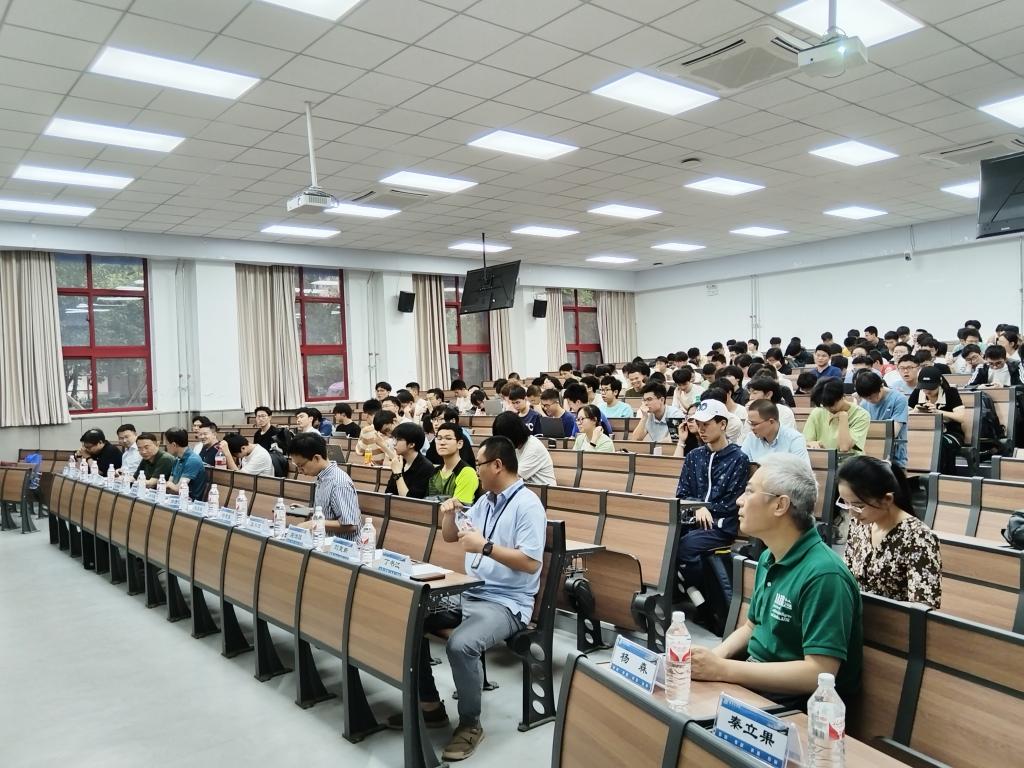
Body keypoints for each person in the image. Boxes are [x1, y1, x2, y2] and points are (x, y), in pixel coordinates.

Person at [402, 436, 547, 761]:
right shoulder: (485, 502)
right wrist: (448, 515)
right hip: (470, 591)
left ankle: (470, 724)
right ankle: (430, 705)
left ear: (497, 465)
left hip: (507, 603)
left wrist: (485, 547)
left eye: (479, 464)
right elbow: (452, 536)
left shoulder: (527, 505)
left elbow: (530, 562)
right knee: (412, 617)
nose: (475, 470)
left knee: (461, 645)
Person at [690, 454, 863, 704]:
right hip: (755, 685)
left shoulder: (824, 575)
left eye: (749, 491)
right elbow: (752, 627)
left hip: (795, 707)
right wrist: (713, 658)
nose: (739, 500)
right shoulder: (769, 556)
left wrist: (722, 669)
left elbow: (818, 673)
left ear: (780, 505)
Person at [675, 399, 749, 615]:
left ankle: (702, 598)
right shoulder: (694, 456)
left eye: (706, 424)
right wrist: (698, 507)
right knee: (662, 540)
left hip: (720, 525)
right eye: (698, 424)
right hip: (691, 520)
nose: (701, 429)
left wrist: (707, 508)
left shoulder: (738, 458)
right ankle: (694, 593)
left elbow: (732, 501)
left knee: (684, 547)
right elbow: (682, 492)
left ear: (723, 424)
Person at [837, 456, 941, 608]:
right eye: (846, 503)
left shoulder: (919, 538)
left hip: (894, 622)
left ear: (887, 499)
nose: (852, 513)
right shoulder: (860, 524)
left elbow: (921, 609)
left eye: (858, 506)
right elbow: (847, 577)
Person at [288, 433, 360, 539]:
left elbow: (351, 525)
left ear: (316, 458)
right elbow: (330, 513)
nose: (299, 470)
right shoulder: (322, 477)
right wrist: (309, 511)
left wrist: (314, 523)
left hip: (340, 546)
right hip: (323, 540)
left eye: (301, 465)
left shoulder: (339, 483)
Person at [909, 367, 967, 475]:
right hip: (924, 432)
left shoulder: (950, 392)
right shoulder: (917, 392)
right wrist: (915, 411)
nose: (927, 391)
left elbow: (961, 417)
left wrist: (938, 412)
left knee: (939, 444)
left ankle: (944, 477)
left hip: (950, 433)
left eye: (931, 388)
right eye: (924, 388)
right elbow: (905, 415)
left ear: (939, 383)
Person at [854, 369, 909, 468]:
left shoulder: (899, 399)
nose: (871, 400)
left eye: (873, 396)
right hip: (869, 456)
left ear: (881, 386)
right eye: (867, 398)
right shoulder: (864, 403)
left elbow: (893, 432)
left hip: (895, 458)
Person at [803, 378, 869, 456]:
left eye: (832, 404)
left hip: (852, 461)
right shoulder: (818, 411)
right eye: (825, 405)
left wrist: (843, 417)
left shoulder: (861, 415)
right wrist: (811, 443)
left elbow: (844, 447)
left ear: (843, 396)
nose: (829, 409)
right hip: (824, 459)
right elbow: (804, 441)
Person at [491, 411, 555, 485]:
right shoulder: (514, 446)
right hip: (526, 489)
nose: (502, 443)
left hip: (544, 490)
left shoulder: (533, 448)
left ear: (511, 435)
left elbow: (511, 477)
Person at [425, 423, 480, 504]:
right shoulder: (435, 471)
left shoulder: (467, 472)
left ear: (459, 444)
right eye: (439, 438)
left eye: (448, 438)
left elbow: (458, 508)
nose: (442, 442)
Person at [741, 400, 809, 465]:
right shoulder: (751, 438)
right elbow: (742, 465)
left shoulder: (794, 439)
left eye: (755, 424)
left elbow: (803, 471)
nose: (752, 428)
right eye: (750, 423)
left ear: (771, 422)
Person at [384, 422, 435, 498]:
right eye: (394, 439)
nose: (394, 443)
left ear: (411, 444)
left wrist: (398, 473)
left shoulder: (426, 467)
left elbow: (410, 500)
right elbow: (388, 492)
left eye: (398, 440)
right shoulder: (400, 462)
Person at [164, 428, 207, 500]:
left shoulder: (193, 460)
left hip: (190, 502)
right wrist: (168, 485)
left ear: (174, 445)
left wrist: (168, 485)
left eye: (167, 444)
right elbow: (170, 483)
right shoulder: (177, 459)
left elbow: (179, 488)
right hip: (175, 497)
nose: (166, 446)